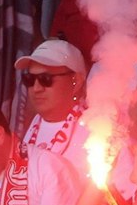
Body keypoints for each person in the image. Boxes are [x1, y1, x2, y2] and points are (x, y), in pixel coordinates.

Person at [14, 39, 87, 168]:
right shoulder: (36, 122)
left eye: (45, 79)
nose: (36, 88)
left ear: (76, 81)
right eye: (29, 79)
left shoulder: (97, 128)